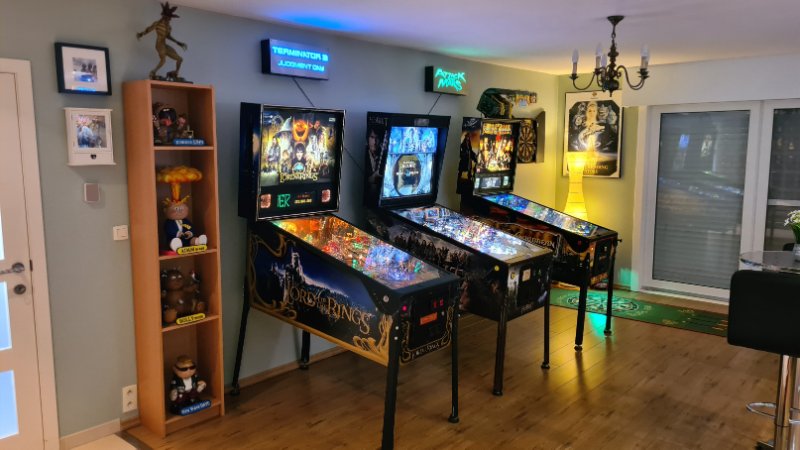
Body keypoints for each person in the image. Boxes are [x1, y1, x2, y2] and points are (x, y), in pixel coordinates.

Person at [136, 2, 188, 81]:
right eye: (167, 18)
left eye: (169, 18)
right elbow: (149, 29)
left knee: (180, 59)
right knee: (163, 60)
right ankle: (153, 72)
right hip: (159, 45)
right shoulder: (157, 24)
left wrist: (178, 42)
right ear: (164, 17)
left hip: (164, 45)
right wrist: (141, 34)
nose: (169, 20)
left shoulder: (168, 27)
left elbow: (168, 36)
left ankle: (175, 73)